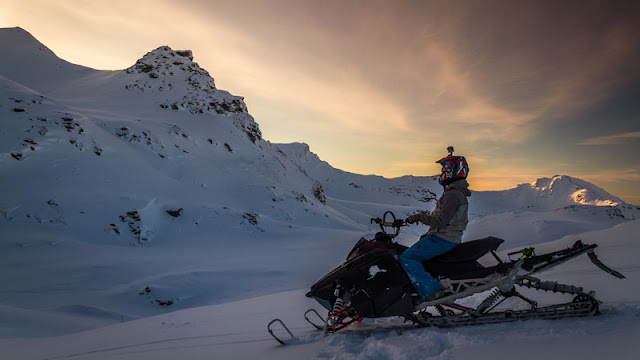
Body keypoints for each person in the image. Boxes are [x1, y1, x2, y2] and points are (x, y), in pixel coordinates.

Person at [400, 148, 471, 300]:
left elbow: (440, 221)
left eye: (445, 168)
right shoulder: (454, 192)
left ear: (453, 171)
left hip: (443, 238)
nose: (442, 172)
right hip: (444, 237)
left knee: (407, 258)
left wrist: (420, 217)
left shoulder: (452, 194)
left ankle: (431, 291)